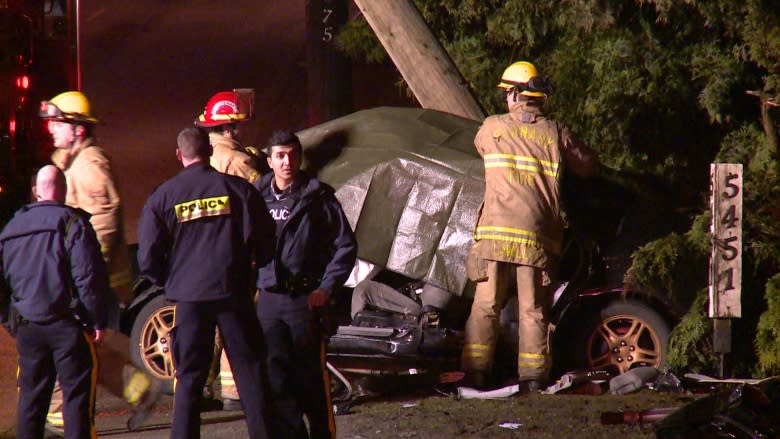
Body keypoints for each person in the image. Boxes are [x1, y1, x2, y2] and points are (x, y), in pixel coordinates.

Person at [461, 61, 600, 391]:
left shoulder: (491, 127)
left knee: (485, 305)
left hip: (494, 233)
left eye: (506, 92)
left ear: (514, 93)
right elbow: (588, 166)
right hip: (536, 237)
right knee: (533, 309)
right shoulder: (555, 132)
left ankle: (477, 372)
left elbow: (480, 148)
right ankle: (534, 377)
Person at [137, 126, 276, 439]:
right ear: (210, 152)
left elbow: (147, 256)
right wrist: (251, 273)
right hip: (234, 292)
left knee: (189, 378)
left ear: (179, 154)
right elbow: (267, 241)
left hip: (189, 299)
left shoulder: (163, 196)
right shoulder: (239, 190)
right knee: (250, 373)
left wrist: (169, 281)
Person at [39, 90, 161, 431]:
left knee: (76, 349)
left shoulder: (90, 165)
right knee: (94, 350)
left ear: (77, 129)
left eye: (58, 122)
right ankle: (139, 391)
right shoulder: (71, 161)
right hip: (85, 278)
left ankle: (63, 420)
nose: (51, 128)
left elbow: (102, 225)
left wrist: (83, 277)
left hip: (93, 281)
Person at [255, 129, 357, 439]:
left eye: (292, 155)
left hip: (305, 301)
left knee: (311, 380)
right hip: (269, 301)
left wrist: (326, 288)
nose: (287, 162)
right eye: (280, 156)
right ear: (269, 160)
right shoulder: (256, 197)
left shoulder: (318, 198)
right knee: (276, 380)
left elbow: (345, 247)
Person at [0, 165, 107, 439]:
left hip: (27, 326)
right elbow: (87, 275)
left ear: (36, 191)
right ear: (63, 190)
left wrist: (8, 320)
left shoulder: (10, 229)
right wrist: (96, 318)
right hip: (66, 326)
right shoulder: (72, 223)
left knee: (31, 401)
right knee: (76, 400)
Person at [194, 89, 267, 410]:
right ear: (228, 128)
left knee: (206, 325)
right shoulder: (237, 162)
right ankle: (235, 392)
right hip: (237, 253)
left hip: (203, 253)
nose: (244, 129)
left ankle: (196, 389)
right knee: (238, 321)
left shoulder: (206, 155)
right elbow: (263, 198)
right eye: (239, 125)